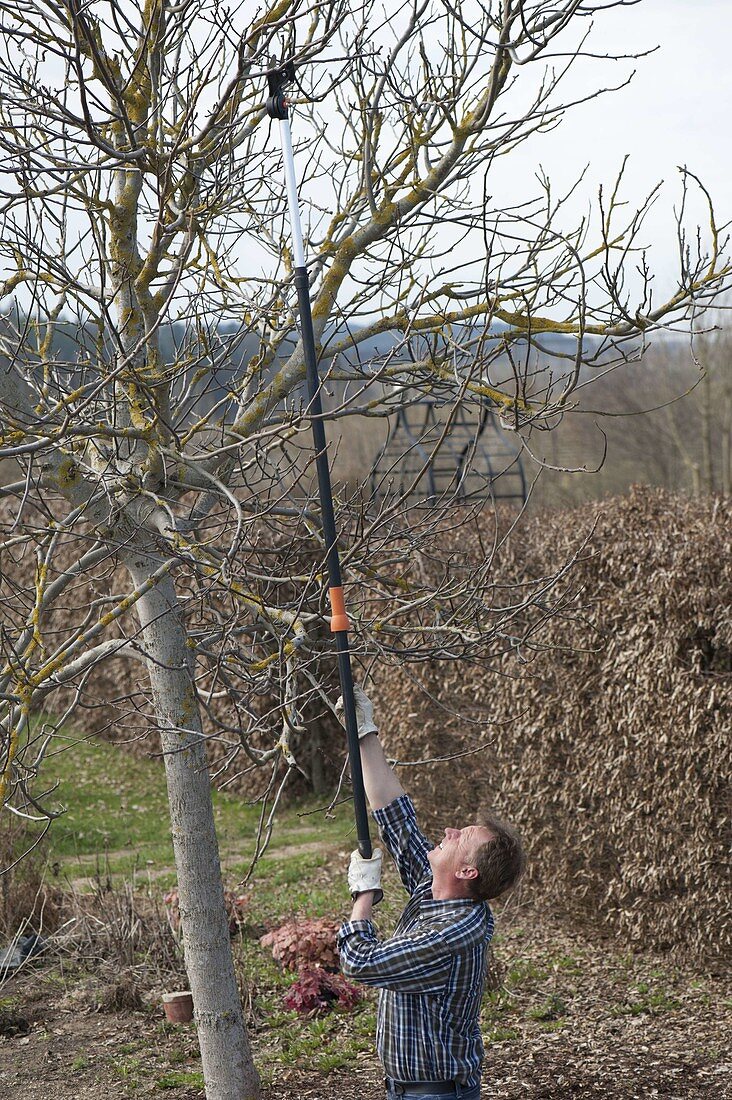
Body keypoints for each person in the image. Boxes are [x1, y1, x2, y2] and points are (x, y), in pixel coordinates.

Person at [337, 686, 525, 1100]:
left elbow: (359, 962)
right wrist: (363, 730)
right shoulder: (436, 890)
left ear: (467, 870)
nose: (449, 831)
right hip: (410, 1088)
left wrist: (363, 894)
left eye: (462, 837)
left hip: (434, 1093)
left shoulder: (452, 934)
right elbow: (395, 814)